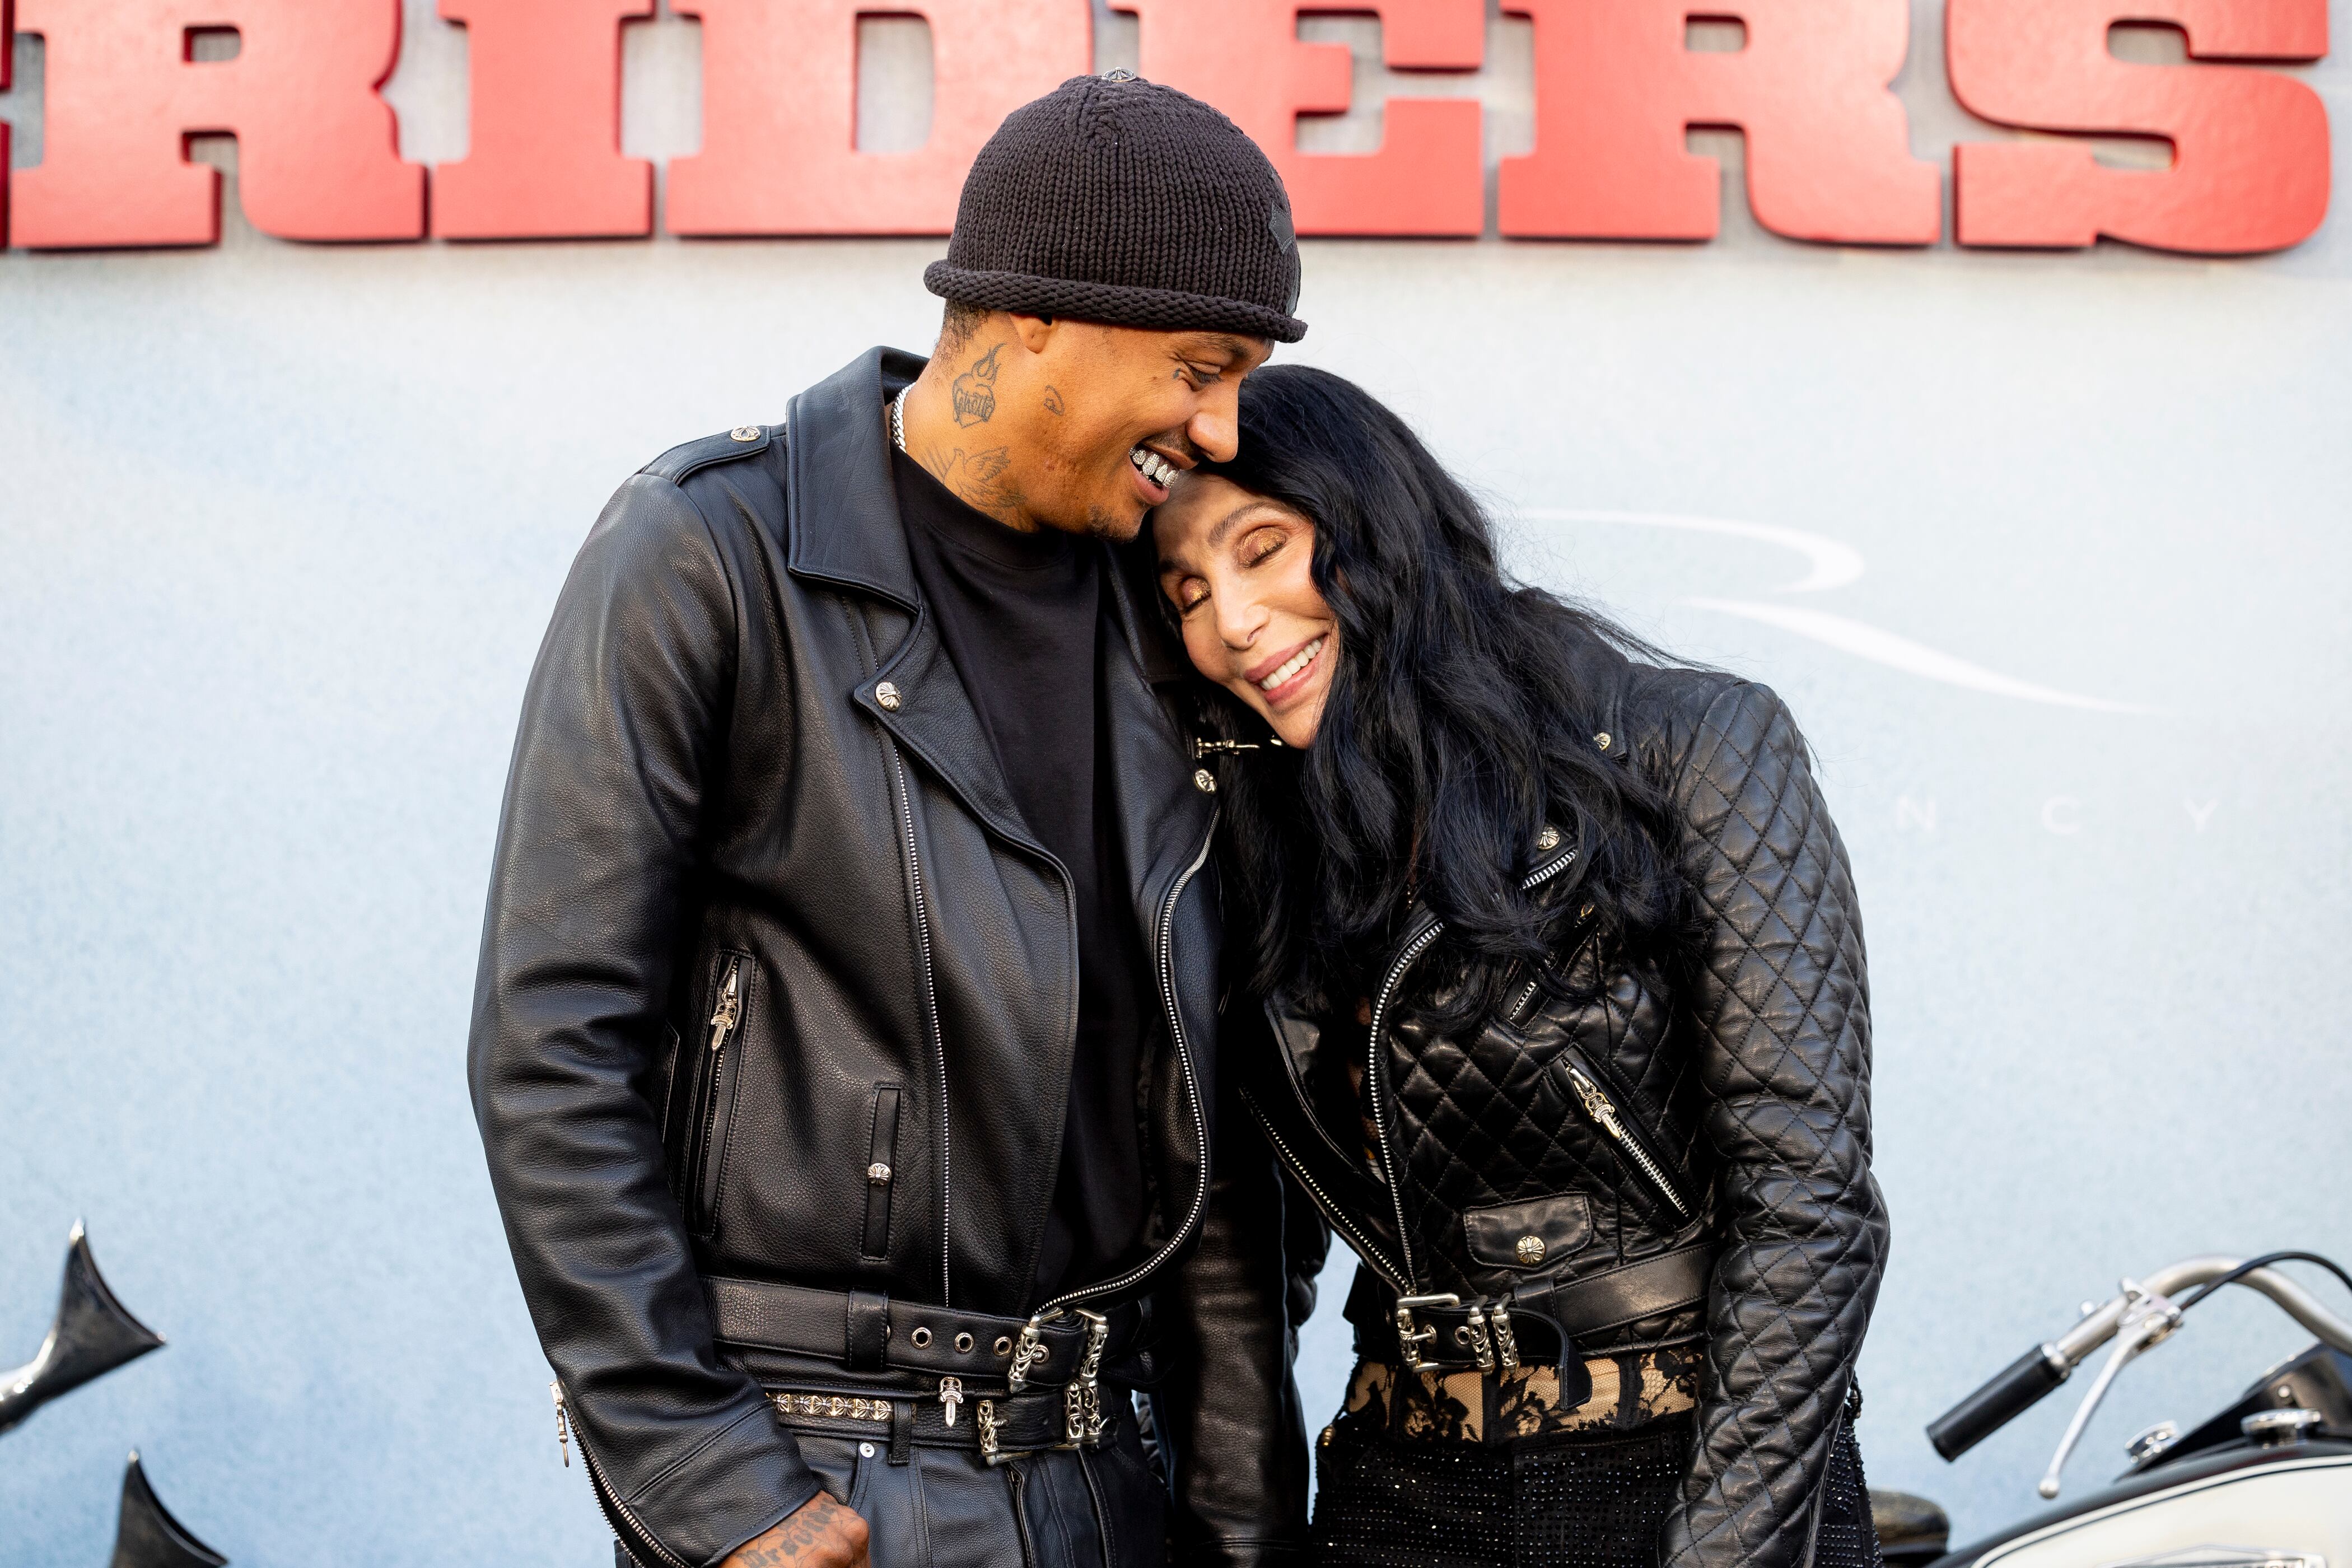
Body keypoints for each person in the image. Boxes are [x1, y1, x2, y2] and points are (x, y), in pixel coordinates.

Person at [466, 75, 1306, 1568]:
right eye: (1200, 364)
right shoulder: (714, 553)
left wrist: (1244, 1520)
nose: (1222, 425)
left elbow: (1216, 1126)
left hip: (1115, 1482)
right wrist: (720, 1494)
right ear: (1042, 315)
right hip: (825, 1479)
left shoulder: (1166, 616)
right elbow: (553, 1052)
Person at [1149, 365, 1889, 1568]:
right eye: (1188, 592)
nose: (1232, 621)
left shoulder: (1691, 744)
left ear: (1376, 523)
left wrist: (1725, 1552)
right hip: (1401, 1487)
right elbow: (1245, 1251)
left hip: (1678, 1474)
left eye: (1265, 547)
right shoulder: (1252, 842)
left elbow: (1811, 1202)